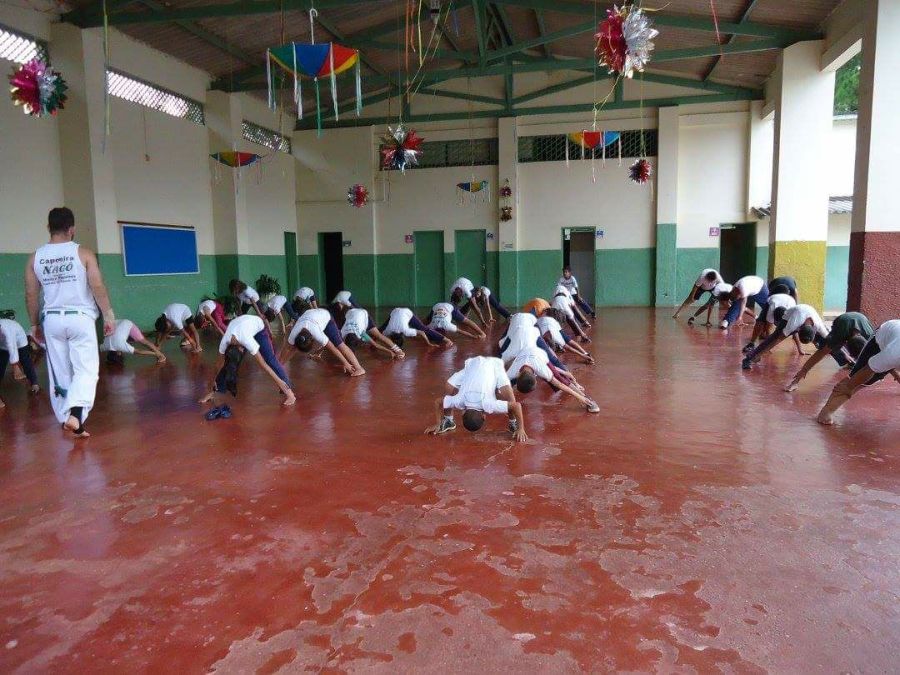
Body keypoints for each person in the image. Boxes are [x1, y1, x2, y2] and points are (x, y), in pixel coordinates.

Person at [25, 207, 116, 438]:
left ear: (48, 228)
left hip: (52, 320)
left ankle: (70, 418)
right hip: (81, 318)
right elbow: (97, 286)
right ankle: (76, 415)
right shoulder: (84, 254)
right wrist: (108, 315)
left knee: (61, 371)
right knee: (86, 369)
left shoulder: (35, 258)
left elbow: (31, 294)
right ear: (72, 229)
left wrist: (34, 325)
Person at [200, 314, 295, 409]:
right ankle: (217, 391)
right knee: (228, 363)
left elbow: (264, 365)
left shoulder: (247, 340)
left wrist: (283, 386)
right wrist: (212, 386)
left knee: (270, 359)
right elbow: (218, 365)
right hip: (242, 325)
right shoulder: (224, 342)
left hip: (258, 326)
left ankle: (289, 391)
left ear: (241, 349)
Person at [816, 319, 900, 425]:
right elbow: (868, 369)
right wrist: (848, 386)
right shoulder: (893, 354)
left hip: (893, 343)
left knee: (883, 365)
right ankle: (827, 411)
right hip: (881, 337)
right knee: (859, 380)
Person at [424, 356, 527, 441]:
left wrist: (521, 428)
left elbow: (516, 406)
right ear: (463, 413)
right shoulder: (459, 401)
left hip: (493, 367)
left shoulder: (489, 405)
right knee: (448, 386)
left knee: (510, 399)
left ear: (484, 416)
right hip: (473, 365)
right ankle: (448, 421)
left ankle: (513, 423)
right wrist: (437, 423)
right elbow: (438, 402)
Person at [784, 312, 875, 392]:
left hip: (861, 318)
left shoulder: (871, 337)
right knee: (826, 348)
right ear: (845, 344)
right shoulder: (838, 336)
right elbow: (818, 355)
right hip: (841, 321)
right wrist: (796, 380)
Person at [506, 344, 600, 413]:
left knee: (559, 377)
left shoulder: (541, 369)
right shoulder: (511, 372)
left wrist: (579, 397)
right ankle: (570, 380)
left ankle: (585, 397)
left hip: (539, 352)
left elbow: (559, 384)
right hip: (529, 353)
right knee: (558, 373)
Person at [281, 307, 366, 376]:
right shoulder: (294, 334)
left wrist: (346, 363)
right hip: (311, 315)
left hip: (326, 317)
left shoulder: (317, 333)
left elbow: (333, 348)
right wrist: (279, 365)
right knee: (293, 346)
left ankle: (359, 368)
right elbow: (287, 349)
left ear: (313, 338)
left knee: (340, 345)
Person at [741, 304, 826, 370]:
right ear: (798, 330)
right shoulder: (794, 324)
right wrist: (758, 355)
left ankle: (834, 355)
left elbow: (831, 340)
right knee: (773, 338)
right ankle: (749, 359)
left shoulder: (820, 327)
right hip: (788, 317)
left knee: (828, 342)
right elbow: (778, 340)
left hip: (804, 313)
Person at [0, 318, 41, 404]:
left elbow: (12, 347)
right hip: (3, 343)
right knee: (1, 364)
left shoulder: (7, 331)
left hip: (19, 338)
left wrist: (15, 366)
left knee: (25, 359)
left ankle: (34, 383)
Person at [341, 307, 405, 360]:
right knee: (378, 336)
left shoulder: (361, 333)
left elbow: (375, 345)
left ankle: (399, 351)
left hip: (363, 315)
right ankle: (398, 350)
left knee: (378, 335)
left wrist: (390, 352)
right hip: (352, 313)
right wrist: (389, 351)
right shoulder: (341, 333)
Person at [101, 319, 167, 365]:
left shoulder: (121, 346)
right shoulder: (103, 346)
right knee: (143, 341)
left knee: (143, 341)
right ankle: (158, 353)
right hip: (117, 322)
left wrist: (156, 354)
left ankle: (161, 355)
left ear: (118, 354)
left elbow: (139, 351)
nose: (122, 353)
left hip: (128, 324)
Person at [380, 307, 452, 348]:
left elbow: (422, 332)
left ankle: (447, 340)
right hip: (395, 312)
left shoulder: (405, 331)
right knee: (381, 329)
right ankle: (447, 340)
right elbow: (379, 336)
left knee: (423, 328)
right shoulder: (387, 331)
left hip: (406, 313)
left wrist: (429, 343)